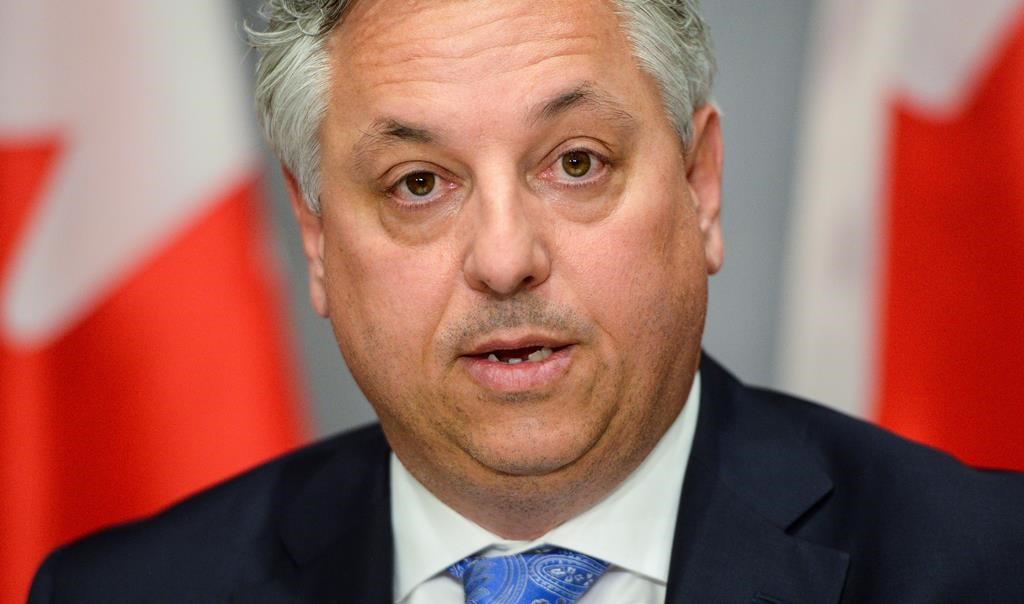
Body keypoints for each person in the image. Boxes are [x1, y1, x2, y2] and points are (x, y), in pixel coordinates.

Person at [28, 0, 1024, 602]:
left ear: (700, 187)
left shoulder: (984, 567)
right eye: (418, 182)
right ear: (319, 239)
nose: (504, 259)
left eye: (576, 163)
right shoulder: (124, 592)